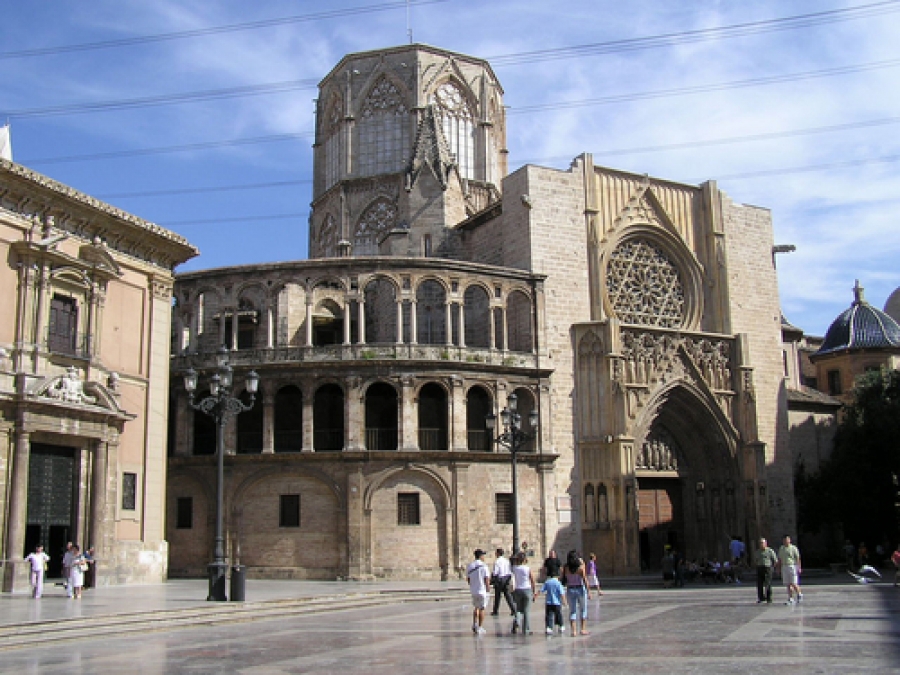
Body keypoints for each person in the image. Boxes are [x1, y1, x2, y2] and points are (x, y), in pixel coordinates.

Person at [564, 550, 591, 636]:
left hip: (570, 589)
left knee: (572, 611)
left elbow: (563, 578)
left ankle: (573, 631)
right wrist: (588, 591)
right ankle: (583, 629)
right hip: (580, 589)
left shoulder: (566, 568)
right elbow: (585, 579)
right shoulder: (580, 568)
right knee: (583, 609)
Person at [510, 551, 537, 635]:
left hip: (517, 590)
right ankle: (526, 630)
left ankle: (517, 620)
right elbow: (532, 580)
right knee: (526, 611)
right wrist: (534, 591)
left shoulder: (514, 568)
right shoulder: (527, 568)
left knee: (519, 609)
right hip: (527, 589)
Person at [466, 549, 491, 635]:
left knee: (476, 607)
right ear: (480, 556)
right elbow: (486, 579)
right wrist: (488, 589)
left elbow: (468, 579)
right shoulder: (484, 566)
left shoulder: (470, 566)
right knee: (482, 608)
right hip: (482, 590)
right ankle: (480, 627)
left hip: (474, 590)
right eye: (483, 555)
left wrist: (472, 585)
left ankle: (474, 624)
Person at [777, 535, 802, 605]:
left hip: (792, 566)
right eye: (784, 540)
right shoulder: (781, 548)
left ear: (789, 540)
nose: (785, 541)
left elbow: (798, 558)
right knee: (788, 584)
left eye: (787, 540)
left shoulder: (793, 548)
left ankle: (799, 594)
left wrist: (799, 567)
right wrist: (778, 568)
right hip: (784, 566)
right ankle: (790, 598)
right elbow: (779, 559)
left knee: (794, 583)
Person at [491, 548, 515, 616]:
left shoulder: (497, 561)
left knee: (497, 596)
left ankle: (495, 611)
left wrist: (493, 578)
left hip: (499, 579)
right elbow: (510, 570)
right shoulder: (506, 561)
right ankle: (513, 609)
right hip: (506, 578)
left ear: (498, 553)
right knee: (508, 595)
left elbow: (495, 572)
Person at [541, 568, 566, 636]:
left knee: (549, 616)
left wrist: (535, 596)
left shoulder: (547, 582)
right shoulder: (558, 583)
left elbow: (542, 590)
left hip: (549, 602)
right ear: (557, 575)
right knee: (558, 615)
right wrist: (564, 601)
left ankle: (549, 627)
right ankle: (561, 626)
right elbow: (562, 593)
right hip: (557, 602)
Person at [754, 537, 778, 604]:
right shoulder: (757, 552)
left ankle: (769, 598)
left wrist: (773, 568)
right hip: (760, 568)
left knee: (768, 584)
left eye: (762, 543)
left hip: (768, 568)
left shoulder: (770, 551)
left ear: (766, 543)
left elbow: (775, 560)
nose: (761, 544)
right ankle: (761, 598)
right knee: (759, 584)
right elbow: (755, 560)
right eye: (760, 543)